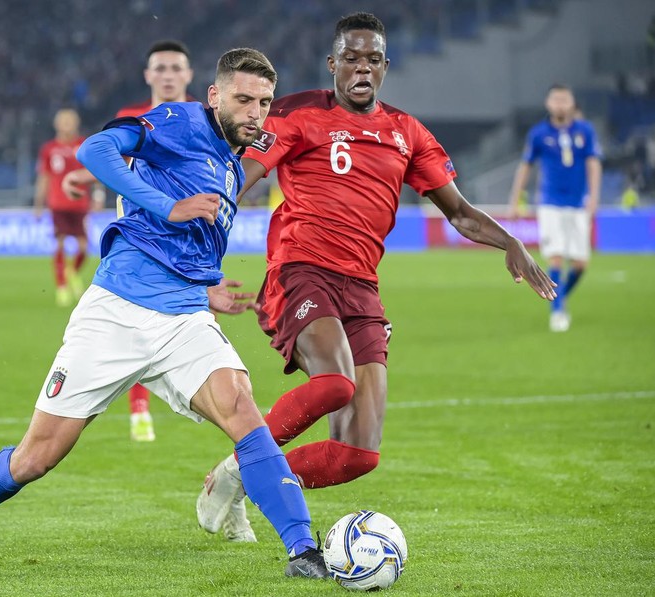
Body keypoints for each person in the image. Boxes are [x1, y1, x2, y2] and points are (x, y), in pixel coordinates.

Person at [0, 47, 329, 580]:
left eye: (263, 102)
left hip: (183, 316)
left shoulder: (233, 163)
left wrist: (207, 286)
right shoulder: (179, 121)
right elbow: (96, 149)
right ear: (214, 96)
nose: (255, 112)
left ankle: (304, 553)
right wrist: (167, 206)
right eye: (243, 99)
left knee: (241, 407)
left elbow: (187, 242)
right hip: (115, 313)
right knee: (34, 459)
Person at [196, 12, 557, 541]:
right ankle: (238, 471)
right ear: (333, 64)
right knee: (335, 383)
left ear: (385, 67)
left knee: (357, 455)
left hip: (361, 288)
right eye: (350, 58)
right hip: (302, 271)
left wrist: (512, 241)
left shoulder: (406, 132)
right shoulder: (296, 115)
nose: (361, 68)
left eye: (372, 59)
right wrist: (201, 263)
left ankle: (241, 479)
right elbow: (236, 182)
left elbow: (457, 212)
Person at [63, 40, 194, 445]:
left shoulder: (201, 120)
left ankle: (212, 401)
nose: (168, 75)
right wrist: (81, 177)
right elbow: (114, 159)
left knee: (188, 326)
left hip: (189, 243)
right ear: (148, 76)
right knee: (136, 326)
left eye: (176, 68)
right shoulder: (129, 119)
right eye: (161, 68)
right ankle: (140, 409)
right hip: (139, 241)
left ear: (188, 76)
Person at [508, 84, 602, 332]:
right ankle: (557, 312)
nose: (560, 104)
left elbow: (593, 163)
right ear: (548, 103)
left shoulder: (586, 131)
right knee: (557, 256)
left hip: (578, 203)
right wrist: (516, 198)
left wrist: (593, 196)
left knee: (581, 264)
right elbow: (525, 165)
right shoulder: (539, 133)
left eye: (564, 99)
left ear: (572, 103)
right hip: (549, 203)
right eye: (556, 99)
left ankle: (560, 297)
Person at [34, 108, 95, 307]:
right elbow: (44, 177)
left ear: (76, 123)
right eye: (64, 121)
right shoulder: (49, 149)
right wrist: (38, 204)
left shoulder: (84, 145)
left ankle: (72, 272)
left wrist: (98, 197)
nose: (67, 124)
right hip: (58, 203)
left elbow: (97, 171)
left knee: (84, 248)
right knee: (59, 243)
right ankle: (61, 287)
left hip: (80, 203)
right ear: (57, 124)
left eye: (71, 121)